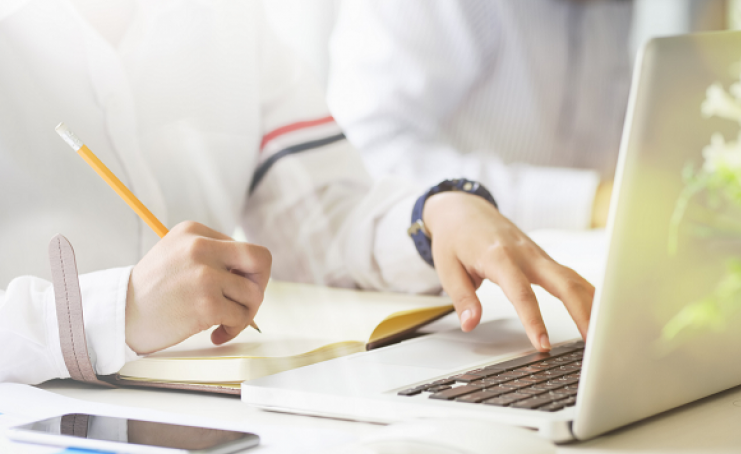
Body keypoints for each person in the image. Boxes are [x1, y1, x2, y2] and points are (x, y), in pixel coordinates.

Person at [0, 0, 594, 385]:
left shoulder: (231, 21)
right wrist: (116, 312)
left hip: (221, 418)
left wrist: (432, 216)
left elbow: (319, 215)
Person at [327, 0, 635, 232]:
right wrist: (588, 202)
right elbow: (369, 158)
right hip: (444, 287)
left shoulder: (610, 11)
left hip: (580, 268)